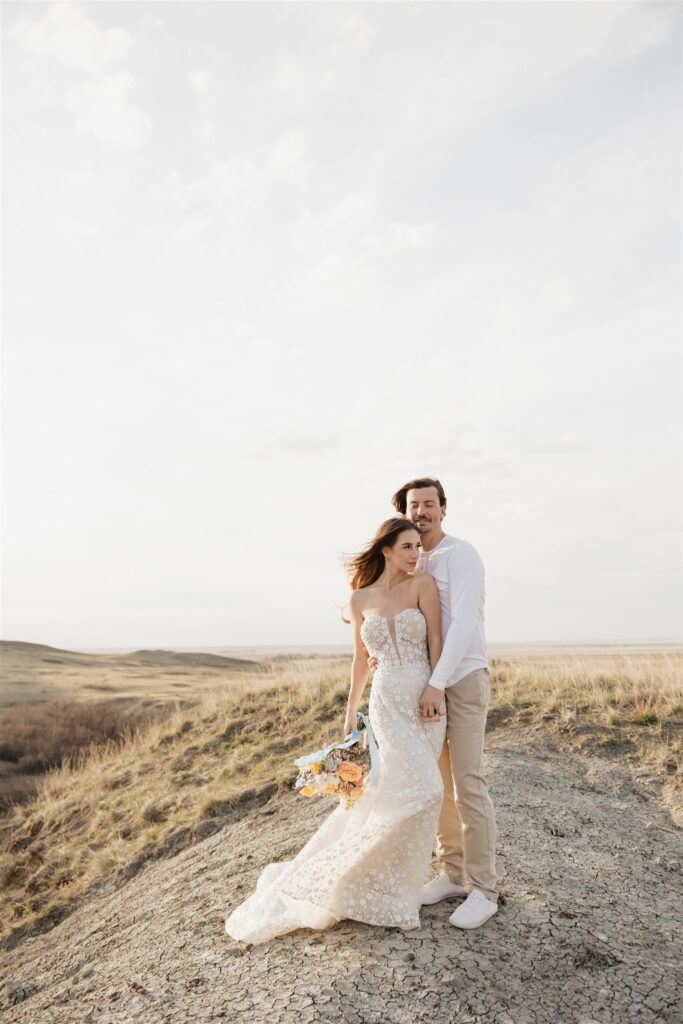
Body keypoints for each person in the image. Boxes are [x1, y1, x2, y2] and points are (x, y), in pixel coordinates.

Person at [224, 517, 448, 944]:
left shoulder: (424, 586)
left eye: (418, 546)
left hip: (424, 699)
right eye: (406, 547)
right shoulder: (359, 599)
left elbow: (436, 639)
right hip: (385, 704)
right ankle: (357, 877)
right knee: (419, 790)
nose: (415, 554)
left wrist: (437, 688)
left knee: (416, 790)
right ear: (385, 549)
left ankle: (393, 882)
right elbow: (361, 661)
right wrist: (350, 712)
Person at [370, 477, 499, 929]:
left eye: (429, 504)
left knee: (467, 782)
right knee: (437, 783)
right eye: (414, 506)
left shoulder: (460, 555)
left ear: (443, 509)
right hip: (423, 687)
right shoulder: (411, 558)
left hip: (459, 680)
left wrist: (437, 684)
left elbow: (462, 625)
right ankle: (452, 872)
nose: (421, 511)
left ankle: (484, 889)